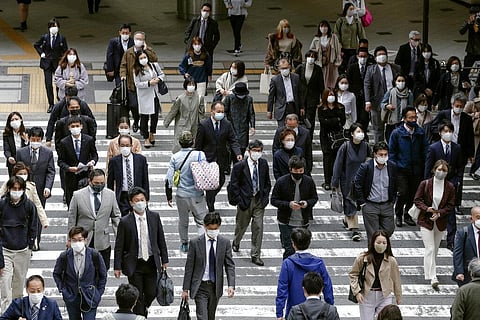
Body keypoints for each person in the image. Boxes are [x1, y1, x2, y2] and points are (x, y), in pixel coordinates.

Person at [114, 187, 169, 317]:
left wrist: (164, 259)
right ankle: (140, 315)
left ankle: (143, 308)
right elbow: (119, 246)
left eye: (142, 200)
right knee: (136, 294)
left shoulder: (154, 217)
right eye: (136, 200)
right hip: (134, 264)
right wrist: (117, 266)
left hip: (151, 261)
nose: (140, 203)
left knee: (151, 291)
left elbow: (161, 239)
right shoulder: (125, 221)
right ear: (131, 203)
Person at [182, 212, 235, 320]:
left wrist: (231, 285)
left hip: (215, 287)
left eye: (215, 228)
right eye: (211, 228)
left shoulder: (224, 243)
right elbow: (189, 267)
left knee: (211, 316)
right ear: (205, 226)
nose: (213, 231)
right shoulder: (195, 243)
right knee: (203, 317)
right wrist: (185, 289)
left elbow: (229, 265)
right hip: (200, 286)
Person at [228, 140, 271, 266]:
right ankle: (236, 242)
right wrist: (239, 200)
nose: (257, 153)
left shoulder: (263, 164)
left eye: (259, 151)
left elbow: (267, 182)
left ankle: (255, 254)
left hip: (259, 200)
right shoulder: (239, 166)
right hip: (245, 201)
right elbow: (234, 185)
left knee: (258, 227)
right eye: (254, 151)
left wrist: (265, 198)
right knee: (241, 226)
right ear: (249, 151)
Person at [414, 159, 455, 291]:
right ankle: (433, 277)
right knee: (430, 248)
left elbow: (450, 205)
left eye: (444, 170)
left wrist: (440, 213)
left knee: (435, 250)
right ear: (434, 170)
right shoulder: (425, 184)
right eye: (439, 169)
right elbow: (417, 200)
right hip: (426, 220)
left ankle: (432, 271)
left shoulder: (450, 187)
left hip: (440, 222)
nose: (441, 172)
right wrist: (427, 209)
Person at [275, 228, 334, 319]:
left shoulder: (288, 263)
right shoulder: (318, 263)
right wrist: (330, 305)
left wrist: (279, 313)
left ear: (293, 243)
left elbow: (282, 289)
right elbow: (327, 285)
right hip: (317, 311)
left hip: (294, 312)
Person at [68, 169, 121, 270]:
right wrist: (70, 239)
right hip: (83, 240)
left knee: (102, 272)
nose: (99, 185)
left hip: (102, 241)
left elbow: (116, 217)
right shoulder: (78, 195)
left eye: (102, 183)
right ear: (90, 181)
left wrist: (120, 237)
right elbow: (72, 219)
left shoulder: (110, 195)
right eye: (96, 183)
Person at [431, 92, 474, 215]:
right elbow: (433, 127)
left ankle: (455, 204)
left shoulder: (466, 118)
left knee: (458, 179)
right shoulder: (443, 114)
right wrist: (443, 133)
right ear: (452, 104)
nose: (459, 108)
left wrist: (471, 154)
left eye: (461, 106)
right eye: (457, 105)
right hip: (444, 149)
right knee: (442, 175)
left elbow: (470, 137)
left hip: (459, 151)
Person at [195, 101, 242, 213]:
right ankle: (210, 205)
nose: (221, 114)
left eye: (222, 112)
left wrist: (238, 153)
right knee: (211, 184)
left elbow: (233, 140)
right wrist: (197, 158)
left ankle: (209, 197)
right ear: (212, 112)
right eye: (218, 111)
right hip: (208, 160)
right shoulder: (204, 124)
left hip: (222, 159)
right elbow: (198, 145)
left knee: (220, 181)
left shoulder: (227, 124)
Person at [165, 131, 208, 253]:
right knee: (201, 221)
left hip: (182, 195)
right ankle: (201, 245)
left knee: (183, 221)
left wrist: (169, 196)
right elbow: (206, 173)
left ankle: (184, 243)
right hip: (197, 194)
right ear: (193, 141)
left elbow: (168, 179)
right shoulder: (200, 155)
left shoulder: (175, 157)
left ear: (180, 143)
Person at [0, 176, 38, 311]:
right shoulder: (2, 204)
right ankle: (5, 313)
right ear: (9, 189)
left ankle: (16, 312)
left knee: (18, 285)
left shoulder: (29, 206)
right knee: (5, 284)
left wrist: (30, 243)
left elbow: (34, 225)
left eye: (19, 189)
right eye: (14, 189)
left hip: (22, 250)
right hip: (5, 250)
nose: (16, 191)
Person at [53, 226, 107, 320]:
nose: (77, 243)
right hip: (71, 297)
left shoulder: (94, 255)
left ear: (85, 240)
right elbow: (56, 274)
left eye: (79, 240)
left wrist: (99, 292)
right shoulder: (64, 256)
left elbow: (103, 275)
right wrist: (63, 290)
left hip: (90, 296)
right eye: (73, 240)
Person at [425, 122, 464, 251]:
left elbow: (460, 166)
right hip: (436, 182)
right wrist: (427, 184)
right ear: (440, 133)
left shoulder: (457, 148)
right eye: (445, 131)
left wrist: (456, 180)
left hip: (450, 184)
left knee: (450, 211)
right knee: (433, 210)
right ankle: (431, 234)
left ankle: (451, 240)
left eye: (450, 131)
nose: (448, 133)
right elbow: (428, 166)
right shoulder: (434, 148)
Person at [271, 156, 318, 259]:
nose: (298, 173)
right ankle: (287, 271)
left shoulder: (308, 181)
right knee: (289, 249)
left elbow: (314, 198)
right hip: (285, 222)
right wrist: (289, 204)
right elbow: (274, 200)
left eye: (301, 170)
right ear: (290, 169)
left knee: (301, 250)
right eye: (296, 170)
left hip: (302, 221)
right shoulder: (281, 182)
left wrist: (306, 203)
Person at [388, 107, 428, 228]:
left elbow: (425, 150)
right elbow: (392, 152)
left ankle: (407, 214)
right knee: (403, 192)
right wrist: (394, 166)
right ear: (404, 119)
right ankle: (398, 214)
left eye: (415, 117)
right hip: (401, 169)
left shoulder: (420, 132)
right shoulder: (396, 133)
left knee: (414, 194)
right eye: (410, 117)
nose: (413, 119)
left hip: (416, 168)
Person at [349, 230, 402, 320]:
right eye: (378, 242)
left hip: (384, 295)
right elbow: (353, 274)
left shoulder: (391, 260)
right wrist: (357, 292)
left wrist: (398, 296)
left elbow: (396, 278)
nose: (381, 245)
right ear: (373, 242)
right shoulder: (362, 258)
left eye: (384, 242)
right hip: (367, 295)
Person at [332, 123, 371, 241]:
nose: (360, 134)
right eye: (358, 131)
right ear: (352, 134)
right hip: (347, 180)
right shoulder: (345, 147)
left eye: (362, 131)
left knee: (358, 203)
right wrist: (335, 182)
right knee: (350, 203)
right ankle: (354, 229)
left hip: (362, 181)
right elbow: (338, 165)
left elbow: (369, 162)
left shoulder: (366, 147)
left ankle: (347, 219)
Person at [354, 141, 398, 243]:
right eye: (381, 155)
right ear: (375, 154)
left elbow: (395, 184)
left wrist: (393, 200)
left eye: (385, 155)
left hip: (387, 204)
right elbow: (358, 184)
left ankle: (383, 252)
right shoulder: (366, 167)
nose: (383, 157)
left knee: (389, 230)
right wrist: (362, 203)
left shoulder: (392, 166)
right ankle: (373, 258)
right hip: (370, 205)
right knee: (373, 236)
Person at [0, 162, 48, 252]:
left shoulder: (31, 186)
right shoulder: (9, 184)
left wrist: (44, 221)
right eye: (20, 174)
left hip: (25, 217)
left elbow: (37, 204)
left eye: (24, 174)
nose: (23, 176)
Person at [120, 31, 158, 133]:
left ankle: (143, 126)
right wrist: (123, 75)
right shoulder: (129, 52)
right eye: (137, 39)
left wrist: (147, 49)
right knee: (134, 105)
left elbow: (155, 59)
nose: (138, 41)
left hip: (147, 86)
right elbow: (123, 65)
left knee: (146, 108)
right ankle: (136, 120)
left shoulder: (147, 51)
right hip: (133, 84)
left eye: (140, 39)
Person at [57, 116, 98, 207]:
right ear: (69, 128)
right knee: (71, 203)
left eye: (77, 126)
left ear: (81, 126)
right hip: (71, 177)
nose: (75, 128)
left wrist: (92, 162)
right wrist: (68, 168)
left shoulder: (88, 140)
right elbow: (60, 161)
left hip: (86, 175)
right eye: (73, 126)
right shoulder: (64, 142)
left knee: (86, 203)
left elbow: (95, 155)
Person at [364, 45, 401, 143]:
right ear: (375, 58)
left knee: (393, 129)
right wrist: (367, 101)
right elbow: (367, 85)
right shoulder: (371, 69)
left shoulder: (395, 68)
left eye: (383, 54)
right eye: (379, 54)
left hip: (393, 103)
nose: (382, 56)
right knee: (378, 130)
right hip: (377, 104)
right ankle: (379, 149)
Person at [107, 135, 149, 216]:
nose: (125, 148)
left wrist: (146, 198)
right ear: (119, 146)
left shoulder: (141, 160)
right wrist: (111, 198)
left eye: (127, 145)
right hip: (122, 195)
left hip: (137, 194)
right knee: (124, 219)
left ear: (131, 146)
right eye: (122, 145)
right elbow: (110, 181)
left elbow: (145, 180)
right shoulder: (114, 161)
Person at [33, 18, 68, 113]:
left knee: (58, 84)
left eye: (55, 26)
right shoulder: (44, 37)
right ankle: (51, 104)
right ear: (49, 28)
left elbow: (65, 50)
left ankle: (59, 101)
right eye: (52, 26)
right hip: (47, 63)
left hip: (57, 63)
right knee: (48, 84)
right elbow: (36, 45)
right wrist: (41, 53)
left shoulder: (61, 38)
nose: (54, 28)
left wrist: (64, 61)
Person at [16, 127, 55, 209]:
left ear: (41, 139)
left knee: (39, 212)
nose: (35, 142)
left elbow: (50, 171)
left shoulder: (48, 153)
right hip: (25, 187)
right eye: (33, 139)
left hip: (41, 188)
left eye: (38, 140)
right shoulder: (20, 153)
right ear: (29, 138)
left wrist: (48, 187)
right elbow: (16, 170)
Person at [133, 50, 165, 148]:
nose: (143, 60)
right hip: (144, 96)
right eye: (141, 58)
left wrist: (158, 79)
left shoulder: (153, 65)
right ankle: (146, 137)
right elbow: (137, 84)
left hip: (154, 94)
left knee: (155, 116)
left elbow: (162, 74)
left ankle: (152, 133)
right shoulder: (137, 70)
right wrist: (148, 83)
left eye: (144, 57)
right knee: (144, 117)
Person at [164, 78, 205, 153]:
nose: (191, 86)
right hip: (182, 125)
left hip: (194, 126)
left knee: (193, 146)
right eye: (189, 84)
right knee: (179, 146)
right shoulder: (180, 98)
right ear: (185, 85)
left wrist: (203, 125)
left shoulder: (199, 98)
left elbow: (201, 113)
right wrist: (167, 122)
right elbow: (173, 111)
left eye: (193, 84)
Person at [318, 88, 346, 190]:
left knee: (336, 158)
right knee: (327, 158)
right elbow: (323, 122)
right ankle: (327, 181)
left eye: (332, 94)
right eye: (329, 94)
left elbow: (342, 121)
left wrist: (330, 121)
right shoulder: (321, 108)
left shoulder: (340, 107)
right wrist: (335, 120)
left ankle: (335, 179)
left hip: (337, 136)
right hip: (326, 136)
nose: (331, 96)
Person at [295, 50, 325, 140]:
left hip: (313, 97)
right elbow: (295, 82)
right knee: (300, 118)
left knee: (310, 119)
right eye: (309, 56)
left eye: (313, 57)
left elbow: (321, 85)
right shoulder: (300, 68)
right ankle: (299, 137)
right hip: (301, 96)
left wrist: (322, 99)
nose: (311, 58)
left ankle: (308, 138)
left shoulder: (318, 69)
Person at [267, 58, 303, 126]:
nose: (285, 70)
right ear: (279, 69)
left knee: (293, 128)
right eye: (282, 68)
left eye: (286, 68)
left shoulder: (296, 77)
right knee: (282, 130)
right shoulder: (275, 80)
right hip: (281, 108)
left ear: (289, 67)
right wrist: (269, 110)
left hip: (293, 106)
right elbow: (271, 96)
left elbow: (300, 93)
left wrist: (302, 107)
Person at [347, 47, 374, 133]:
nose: (362, 58)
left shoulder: (371, 67)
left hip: (366, 97)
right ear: (357, 56)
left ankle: (363, 132)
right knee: (355, 116)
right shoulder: (352, 67)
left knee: (364, 117)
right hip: (354, 96)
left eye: (364, 56)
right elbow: (348, 80)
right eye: (361, 56)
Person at [224, 82, 255, 156]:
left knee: (242, 149)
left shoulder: (249, 99)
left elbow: (251, 113)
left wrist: (252, 126)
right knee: (230, 148)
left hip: (243, 128)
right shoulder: (229, 98)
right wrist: (226, 123)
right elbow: (225, 112)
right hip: (231, 126)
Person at [334, 3, 366, 74]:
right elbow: (336, 33)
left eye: (353, 9)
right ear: (346, 10)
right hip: (342, 48)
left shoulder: (357, 22)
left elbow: (361, 34)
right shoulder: (340, 21)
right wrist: (339, 44)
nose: (352, 11)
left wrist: (363, 46)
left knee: (352, 65)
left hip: (353, 48)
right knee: (342, 65)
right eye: (350, 9)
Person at [381, 74, 414, 142]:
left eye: (402, 81)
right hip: (392, 122)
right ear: (395, 82)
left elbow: (411, 107)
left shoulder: (409, 93)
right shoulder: (390, 92)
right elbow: (382, 104)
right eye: (399, 81)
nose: (401, 82)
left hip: (403, 122)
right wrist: (387, 106)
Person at [309, 20, 341, 89]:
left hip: (331, 63)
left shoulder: (333, 37)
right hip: (321, 64)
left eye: (325, 26)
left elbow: (338, 50)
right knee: (322, 81)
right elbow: (311, 50)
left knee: (333, 80)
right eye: (322, 26)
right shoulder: (316, 39)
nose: (324, 28)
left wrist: (338, 60)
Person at [452, 206, 480, 286]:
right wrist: (459, 272)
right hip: (468, 274)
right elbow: (457, 254)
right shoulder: (463, 233)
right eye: (478, 217)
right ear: (471, 219)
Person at [3, 111, 29, 176]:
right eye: (12, 120)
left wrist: (26, 141)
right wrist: (9, 157)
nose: (15, 121)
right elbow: (6, 149)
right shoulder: (7, 134)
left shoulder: (26, 132)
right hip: (13, 162)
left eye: (16, 119)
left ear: (21, 120)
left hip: (25, 162)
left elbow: (31, 148)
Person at [459, 6, 480, 79]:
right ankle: (464, 83)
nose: (473, 16)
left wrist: (476, 24)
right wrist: (469, 24)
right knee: (466, 70)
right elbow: (461, 31)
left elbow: (477, 31)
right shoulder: (468, 22)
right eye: (471, 14)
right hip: (471, 50)